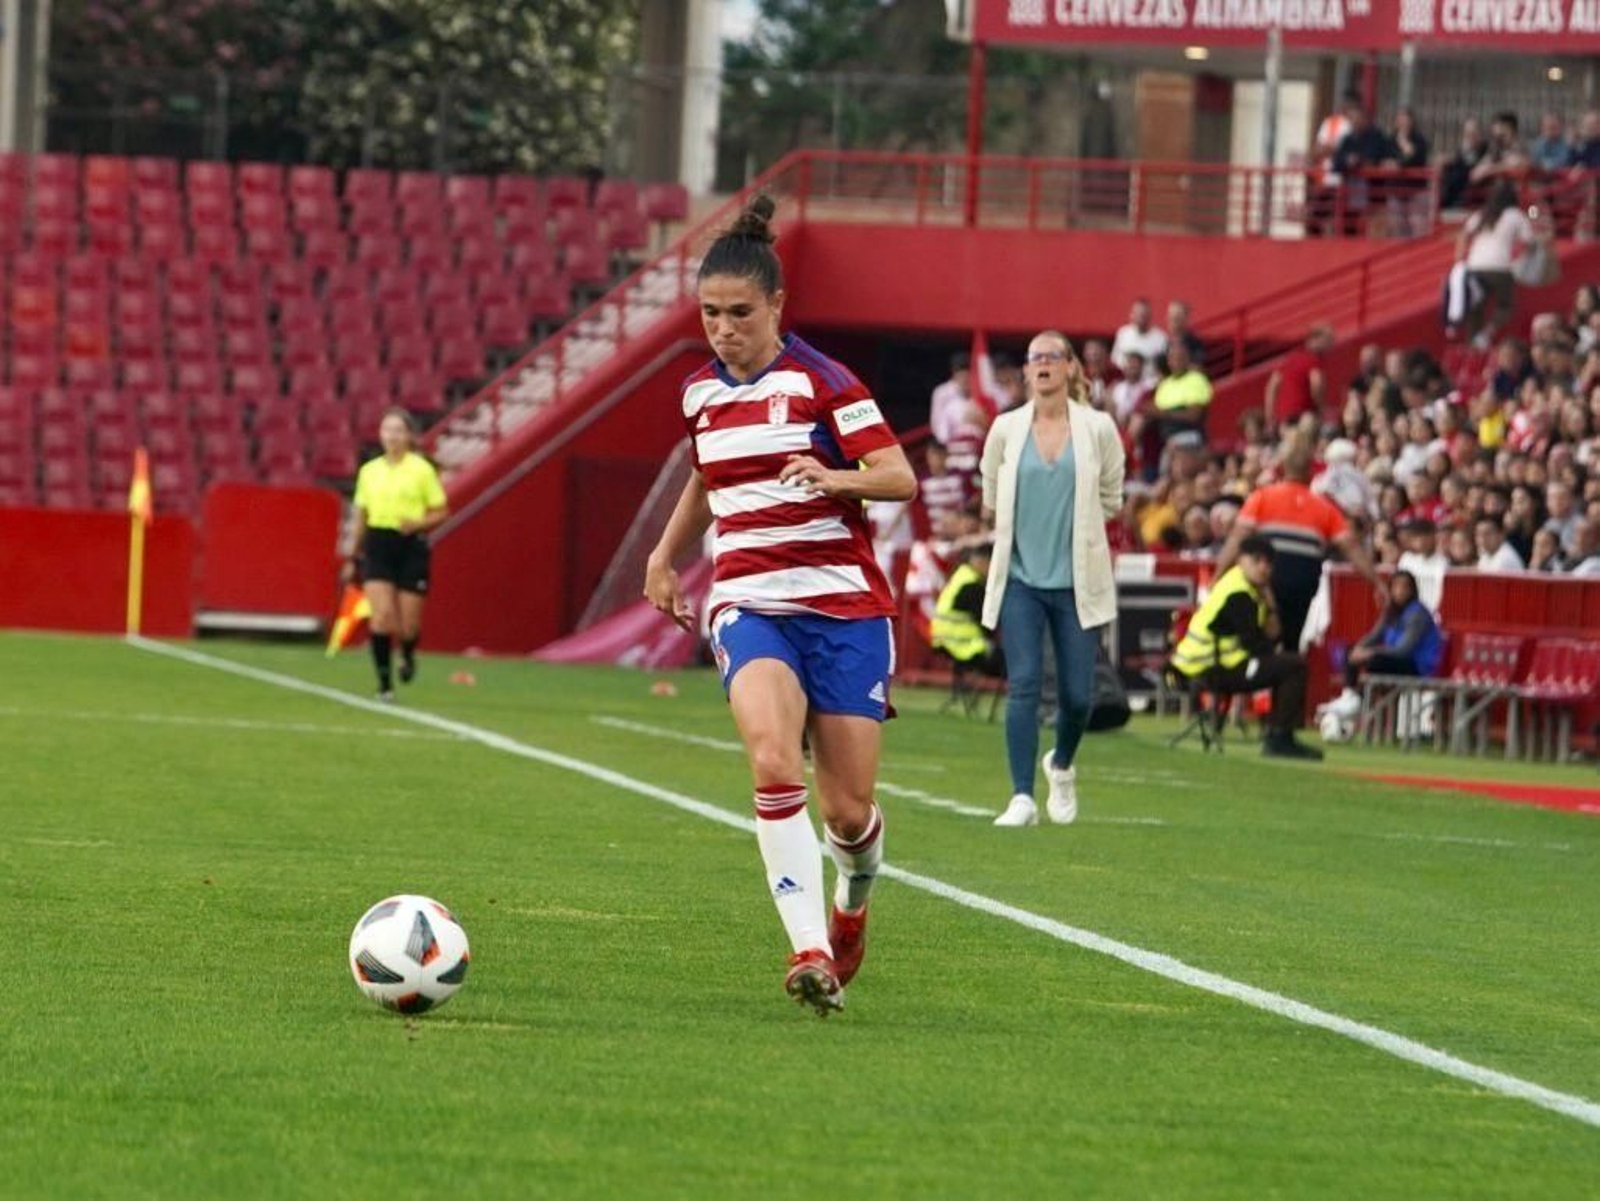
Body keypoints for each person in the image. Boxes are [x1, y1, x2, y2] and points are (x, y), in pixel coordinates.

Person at [643, 195, 916, 1017]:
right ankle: (808, 950)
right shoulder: (698, 394)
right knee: (770, 757)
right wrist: (664, 555)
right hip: (749, 601)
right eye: (710, 314)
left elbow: (898, 476)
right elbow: (706, 477)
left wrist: (836, 477)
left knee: (848, 811)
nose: (723, 329)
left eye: (739, 313)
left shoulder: (824, 383)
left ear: (776, 307)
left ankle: (852, 904)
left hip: (843, 607)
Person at [980, 332, 1125, 828]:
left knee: (1079, 696)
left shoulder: (1098, 427)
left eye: (1052, 356)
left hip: (1076, 582)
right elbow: (991, 492)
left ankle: (1061, 764)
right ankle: (1021, 796)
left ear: (1069, 367)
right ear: (1026, 371)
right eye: (1035, 357)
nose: (1043, 364)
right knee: (1023, 684)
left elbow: (1112, 497)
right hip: (1020, 578)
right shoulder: (1005, 428)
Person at [1215, 433, 1384, 651]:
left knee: (1261, 642)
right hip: (1302, 586)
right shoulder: (1324, 507)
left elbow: (1236, 540)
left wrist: (1217, 576)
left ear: (1283, 468)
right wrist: (1378, 583)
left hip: (1266, 583)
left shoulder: (1261, 497)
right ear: (1311, 472)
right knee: (1290, 644)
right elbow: (1352, 548)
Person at [1170, 536, 1323, 759]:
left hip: (1214, 664)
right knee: (1295, 666)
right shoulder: (1239, 593)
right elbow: (1257, 644)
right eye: (1257, 560)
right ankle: (1280, 738)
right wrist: (1274, 654)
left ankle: (1277, 733)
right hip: (1213, 667)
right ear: (1241, 560)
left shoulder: (1245, 586)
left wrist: (1270, 603)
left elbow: (1273, 636)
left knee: (1288, 664)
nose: (1263, 567)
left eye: (1268, 563)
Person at [345, 409, 448, 701]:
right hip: (378, 542)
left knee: (408, 625)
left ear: (409, 436)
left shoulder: (421, 470)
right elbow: (361, 515)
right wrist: (352, 554)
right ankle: (384, 685)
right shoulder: (370, 471)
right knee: (382, 617)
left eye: (398, 430)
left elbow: (441, 510)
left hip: (410, 544)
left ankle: (408, 652)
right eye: (387, 430)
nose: (392, 436)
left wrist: (418, 523)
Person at [1336, 570, 1444, 701]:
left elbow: (1403, 650)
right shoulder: (1391, 612)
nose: (1400, 591)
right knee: (1350, 651)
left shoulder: (1418, 614)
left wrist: (1369, 653)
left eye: (1405, 587)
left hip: (1417, 666)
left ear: (1412, 590)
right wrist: (1358, 649)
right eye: (1396, 586)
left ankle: (1363, 699)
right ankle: (1350, 695)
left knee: (1375, 660)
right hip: (1395, 659)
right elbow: (1374, 636)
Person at [1457, 180, 1536, 346]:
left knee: (1476, 306)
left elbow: (1463, 235)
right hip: (1500, 267)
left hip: (1474, 266)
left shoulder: (1482, 214)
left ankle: (1472, 343)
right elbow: (1529, 242)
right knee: (1505, 306)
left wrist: (1460, 260)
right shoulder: (1515, 215)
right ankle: (1487, 333)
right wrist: (1520, 261)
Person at [930, 543, 1003, 677]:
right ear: (984, 562)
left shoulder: (961, 576)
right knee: (1012, 660)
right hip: (965, 646)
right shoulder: (972, 585)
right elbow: (987, 623)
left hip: (946, 641)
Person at [1265, 324, 1333, 430]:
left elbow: (1272, 384)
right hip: (1302, 416)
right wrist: (1321, 408)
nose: (1331, 346)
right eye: (1328, 341)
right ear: (1316, 339)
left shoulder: (1291, 358)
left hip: (1283, 417)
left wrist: (1269, 416)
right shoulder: (1314, 360)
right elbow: (1316, 384)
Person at [1151, 340, 1212, 445]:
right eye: (1173, 358)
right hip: (1166, 438)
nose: (1176, 362)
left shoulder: (1196, 379)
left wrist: (1165, 414)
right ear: (1168, 361)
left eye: (1180, 358)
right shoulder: (1164, 384)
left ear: (1188, 359)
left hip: (1190, 436)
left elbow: (1194, 415)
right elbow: (1157, 411)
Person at [1386, 108, 1432, 238]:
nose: (1403, 124)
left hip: (1416, 190)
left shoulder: (1419, 140)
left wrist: (1403, 144)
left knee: (1418, 228)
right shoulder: (1390, 140)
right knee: (1398, 229)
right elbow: (1385, 157)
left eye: (1406, 121)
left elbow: (1416, 157)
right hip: (1396, 189)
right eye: (1400, 121)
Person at [1111, 298, 1167, 382]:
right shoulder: (1123, 333)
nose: (1141, 318)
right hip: (1125, 381)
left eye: (1144, 315)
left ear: (1150, 316)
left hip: (1149, 383)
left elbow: (1162, 368)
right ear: (1131, 315)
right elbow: (1115, 359)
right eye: (1138, 314)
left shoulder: (1160, 338)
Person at [929, 351, 972, 446]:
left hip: (974, 442)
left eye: (967, 371)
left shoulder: (977, 389)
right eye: (961, 371)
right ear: (953, 371)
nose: (965, 376)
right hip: (950, 443)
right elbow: (936, 423)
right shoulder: (942, 392)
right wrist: (943, 445)